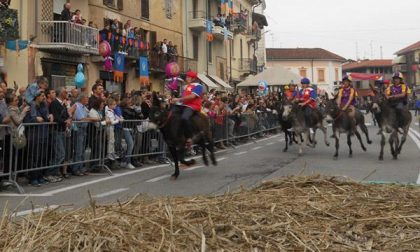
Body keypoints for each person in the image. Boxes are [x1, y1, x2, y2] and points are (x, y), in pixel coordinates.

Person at [171, 71, 203, 147]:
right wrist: (173, 100)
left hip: (193, 106)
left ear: (193, 79)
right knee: (172, 113)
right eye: (187, 77)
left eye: (189, 77)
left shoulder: (198, 86)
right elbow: (183, 98)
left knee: (184, 118)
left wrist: (178, 99)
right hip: (184, 105)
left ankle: (189, 137)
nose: (187, 78)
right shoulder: (184, 87)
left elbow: (192, 96)